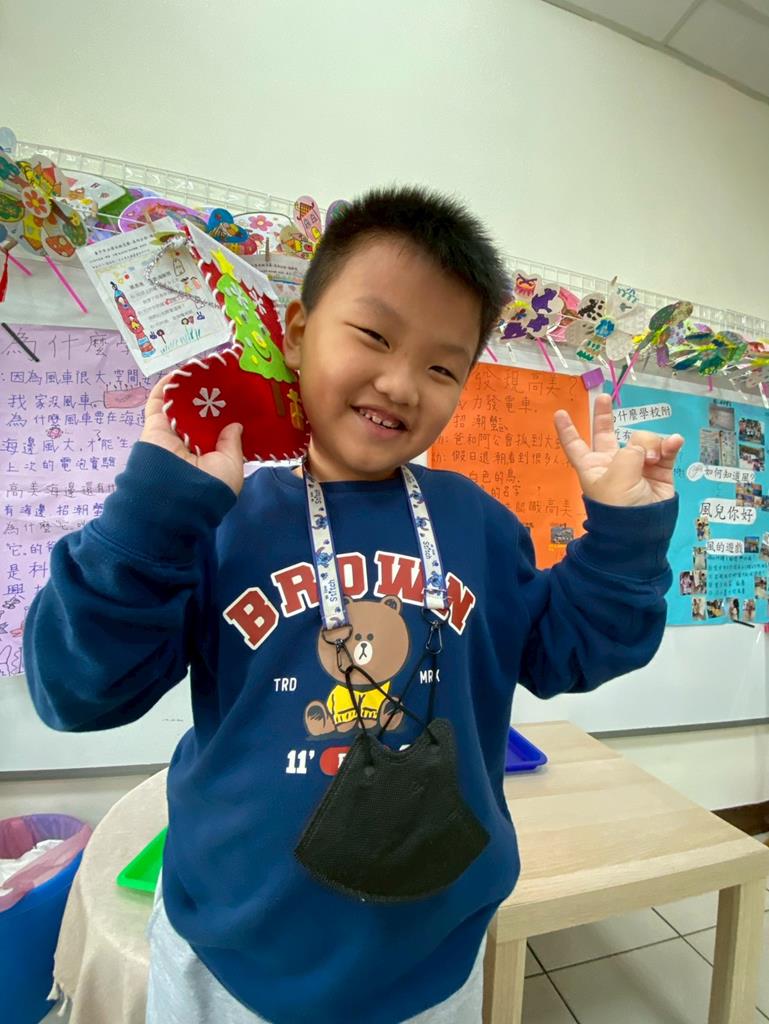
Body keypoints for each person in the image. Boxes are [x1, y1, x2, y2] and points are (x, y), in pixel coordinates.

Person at [23, 187, 682, 1024]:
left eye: (442, 367)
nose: (400, 383)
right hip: (227, 953)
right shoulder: (216, 517)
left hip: (430, 958)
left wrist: (623, 537)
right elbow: (77, 692)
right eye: (373, 335)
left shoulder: (478, 524)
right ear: (297, 333)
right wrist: (149, 517)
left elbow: (572, 654)